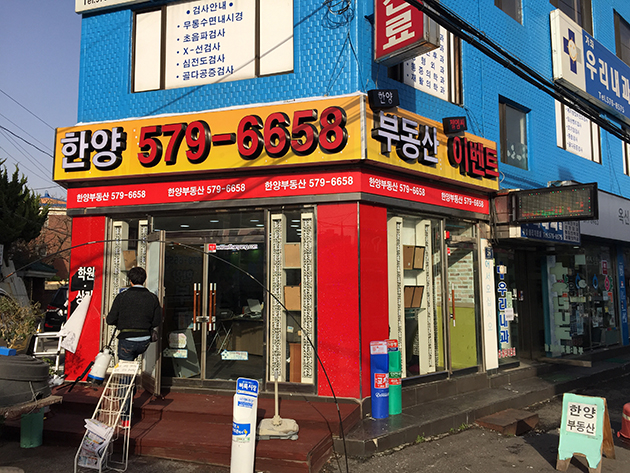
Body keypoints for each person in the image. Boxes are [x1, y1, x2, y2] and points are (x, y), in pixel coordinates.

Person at [106, 266, 161, 427]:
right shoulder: (152, 298)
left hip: (127, 341)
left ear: (130, 280)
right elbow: (157, 321)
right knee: (130, 374)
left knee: (125, 378)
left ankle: (125, 417)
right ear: (144, 280)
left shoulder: (122, 297)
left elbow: (110, 320)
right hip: (144, 341)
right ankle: (130, 392)